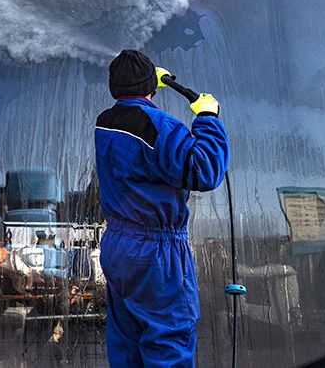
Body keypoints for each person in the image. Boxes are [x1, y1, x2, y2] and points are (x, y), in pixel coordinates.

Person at [94, 49, 230, 367]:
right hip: (156, 254)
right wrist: (208, 117)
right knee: (168, 342)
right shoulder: (158, 126)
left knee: (127, 342)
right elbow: (206, 169)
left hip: (118, 247)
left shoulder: (105, 124)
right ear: (150, 86)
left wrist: (145, 83)